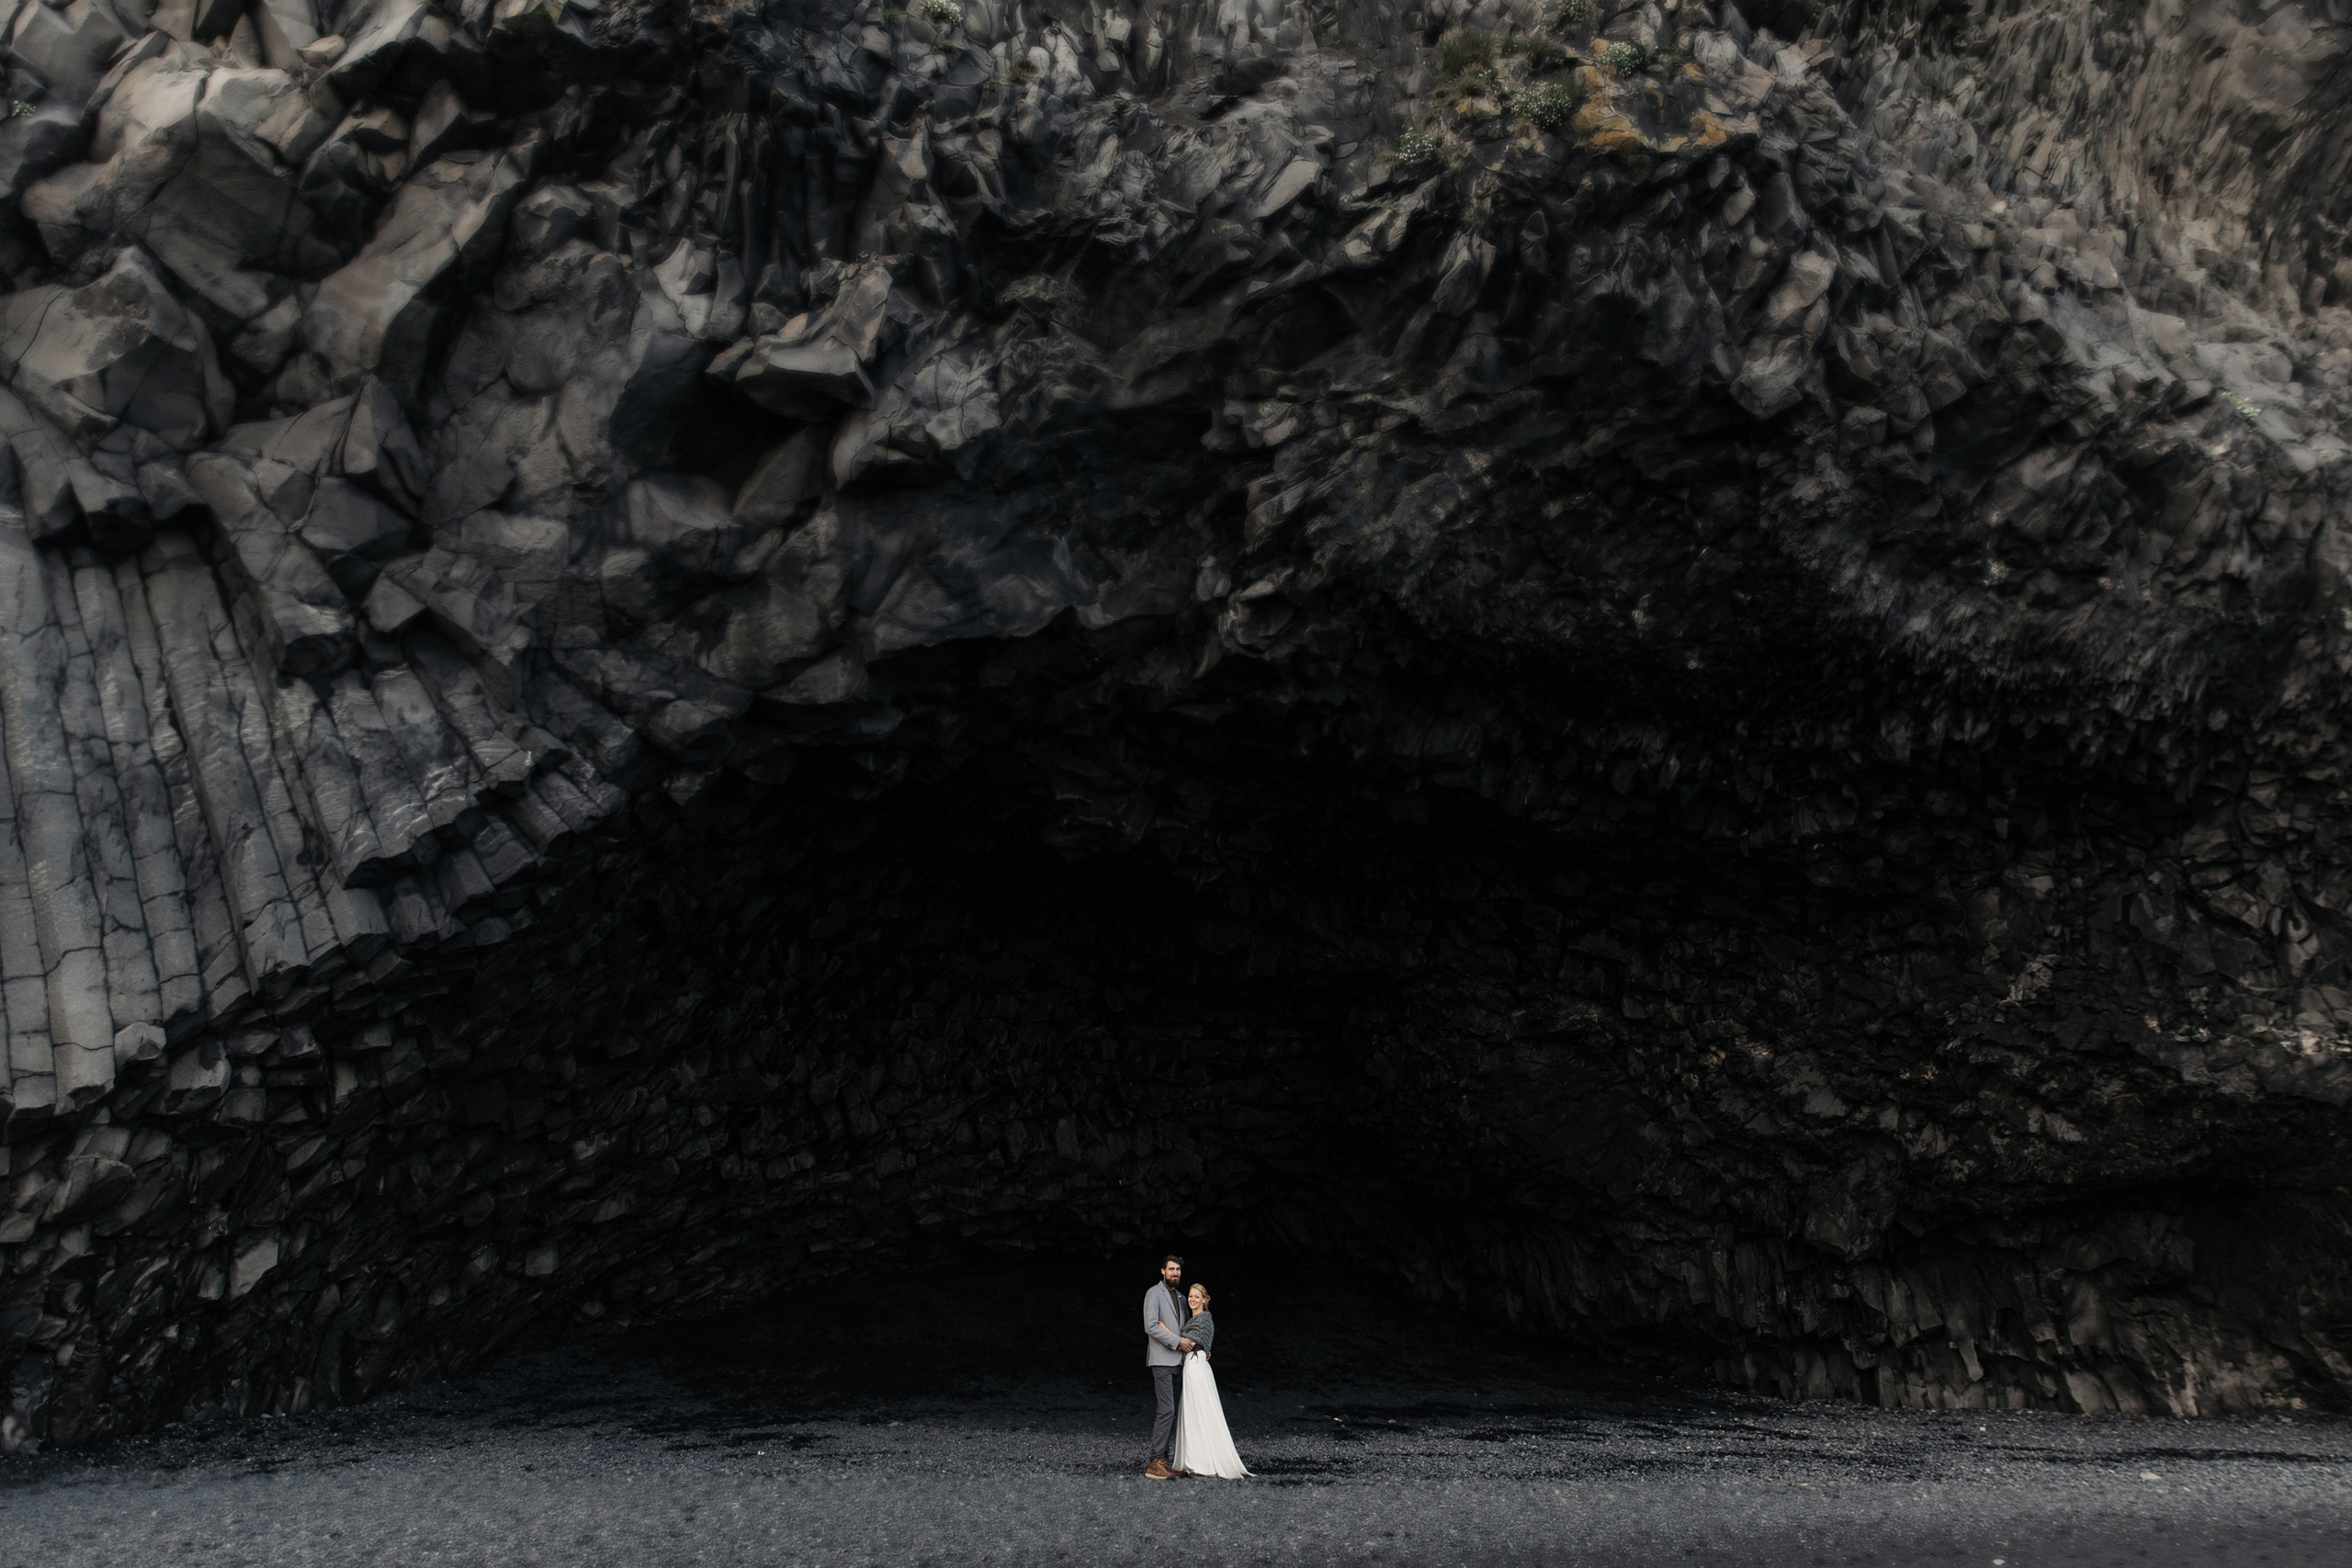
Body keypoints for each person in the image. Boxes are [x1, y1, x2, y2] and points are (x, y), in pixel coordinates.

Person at [1170, 1282, 1250, 1478]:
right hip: (1192, 1364)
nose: (1192, 1299)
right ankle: (1196, 1457)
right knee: (1192, 1410)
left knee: (1200, 1409)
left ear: (1205, 1300)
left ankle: (1203, 1461)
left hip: (1197, 1364)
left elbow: (1196, 1341)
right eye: (1190, 1296)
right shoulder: (1193, 1319)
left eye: (1197, 1296)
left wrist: (1169, 1332)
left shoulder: (1205, 1319)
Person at [1142, 1254, 1194, 1480]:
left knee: (1174, 1412)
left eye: (1178, 1270)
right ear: (1162, 1271)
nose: (1175, 1273)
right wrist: (1177, 1342)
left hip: (1179, 1362)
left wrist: (1198, 1347)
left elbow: (1186, 1331)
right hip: (1162, 1360)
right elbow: (1151, 1326)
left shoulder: (1182, 1298)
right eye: (1171, 1269)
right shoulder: (1154, 1293)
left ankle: (1164, 1459)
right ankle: (1155, 1461)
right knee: (1167, 1410)